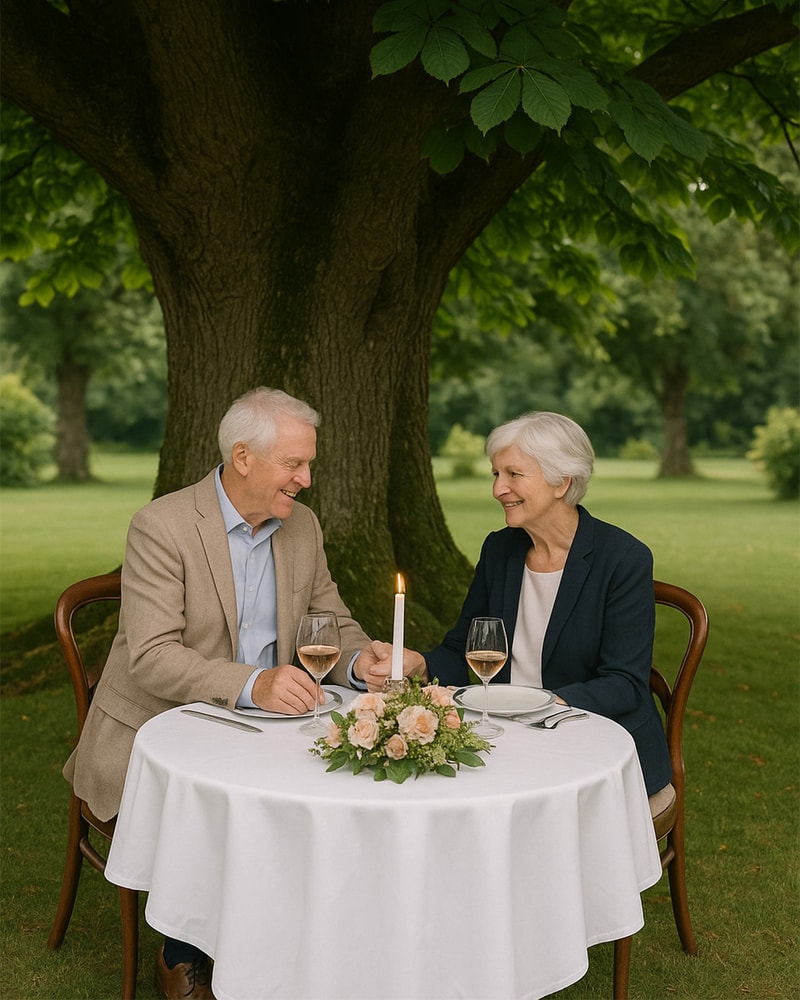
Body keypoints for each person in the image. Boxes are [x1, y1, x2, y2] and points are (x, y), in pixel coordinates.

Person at [63, 386, 399, 999]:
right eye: (294, 464)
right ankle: (183, 951)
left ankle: (306, 943)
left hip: (275, 726)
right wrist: (253, 682)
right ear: (243, 457)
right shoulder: (161, 526)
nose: (307, 478)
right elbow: (152, 657)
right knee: (217, 802)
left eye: (309, 463)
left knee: (330, 791)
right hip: (156, 727)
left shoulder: (302, 527)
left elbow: (333, 623)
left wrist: (363, 665)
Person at [359, 411, 674, 810]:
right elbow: (464, 650)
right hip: (508, 743)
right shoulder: (500, 549)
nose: (498, 489)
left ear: (562, 482)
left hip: (599, 756)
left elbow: (624, 684)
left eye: (513, 474)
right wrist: (419, 664)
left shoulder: (623, 559)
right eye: (495, 474)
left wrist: (538, 705)